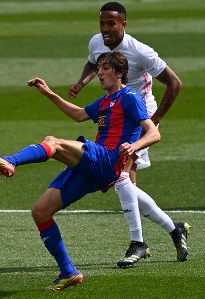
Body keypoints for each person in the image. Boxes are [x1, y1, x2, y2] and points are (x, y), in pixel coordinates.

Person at [0, 52, 161, 291]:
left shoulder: (130, 97)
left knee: (54, 142)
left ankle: (9, 161)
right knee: (41, 212)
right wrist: (49, 93)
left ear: (119, 73)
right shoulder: (105, 101)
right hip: (93, 167)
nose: (100, 73)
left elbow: (154, 133)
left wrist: (134, 146)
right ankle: (68, 271)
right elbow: (78, 114)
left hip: (108, 160)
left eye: (105, 69)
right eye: (99, 68)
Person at [68, 2, 189, 267]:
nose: (106, 29)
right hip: (113, 114)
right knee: (124, 183)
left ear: (124, 24)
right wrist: (82, 82)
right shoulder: (96, 42)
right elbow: (92, 63)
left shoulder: (140, 51)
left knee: (121, 176)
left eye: (112, 23)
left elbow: (174, 83)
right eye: (102, 23)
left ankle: (138, 243)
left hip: (138, 115)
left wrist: (154, 122)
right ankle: (173, 229)